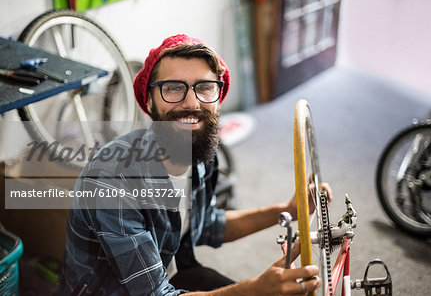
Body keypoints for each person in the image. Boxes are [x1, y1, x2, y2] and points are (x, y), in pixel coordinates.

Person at [59, 34, 331, 296]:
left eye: (204, 87)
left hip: (172, 274)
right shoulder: (111, 180)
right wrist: (255, 290)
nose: (192, 103)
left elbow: (208, 224)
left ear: (218, 96)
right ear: (150, 100)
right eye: (173, 88)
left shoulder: (201, 153)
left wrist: (286, 210)